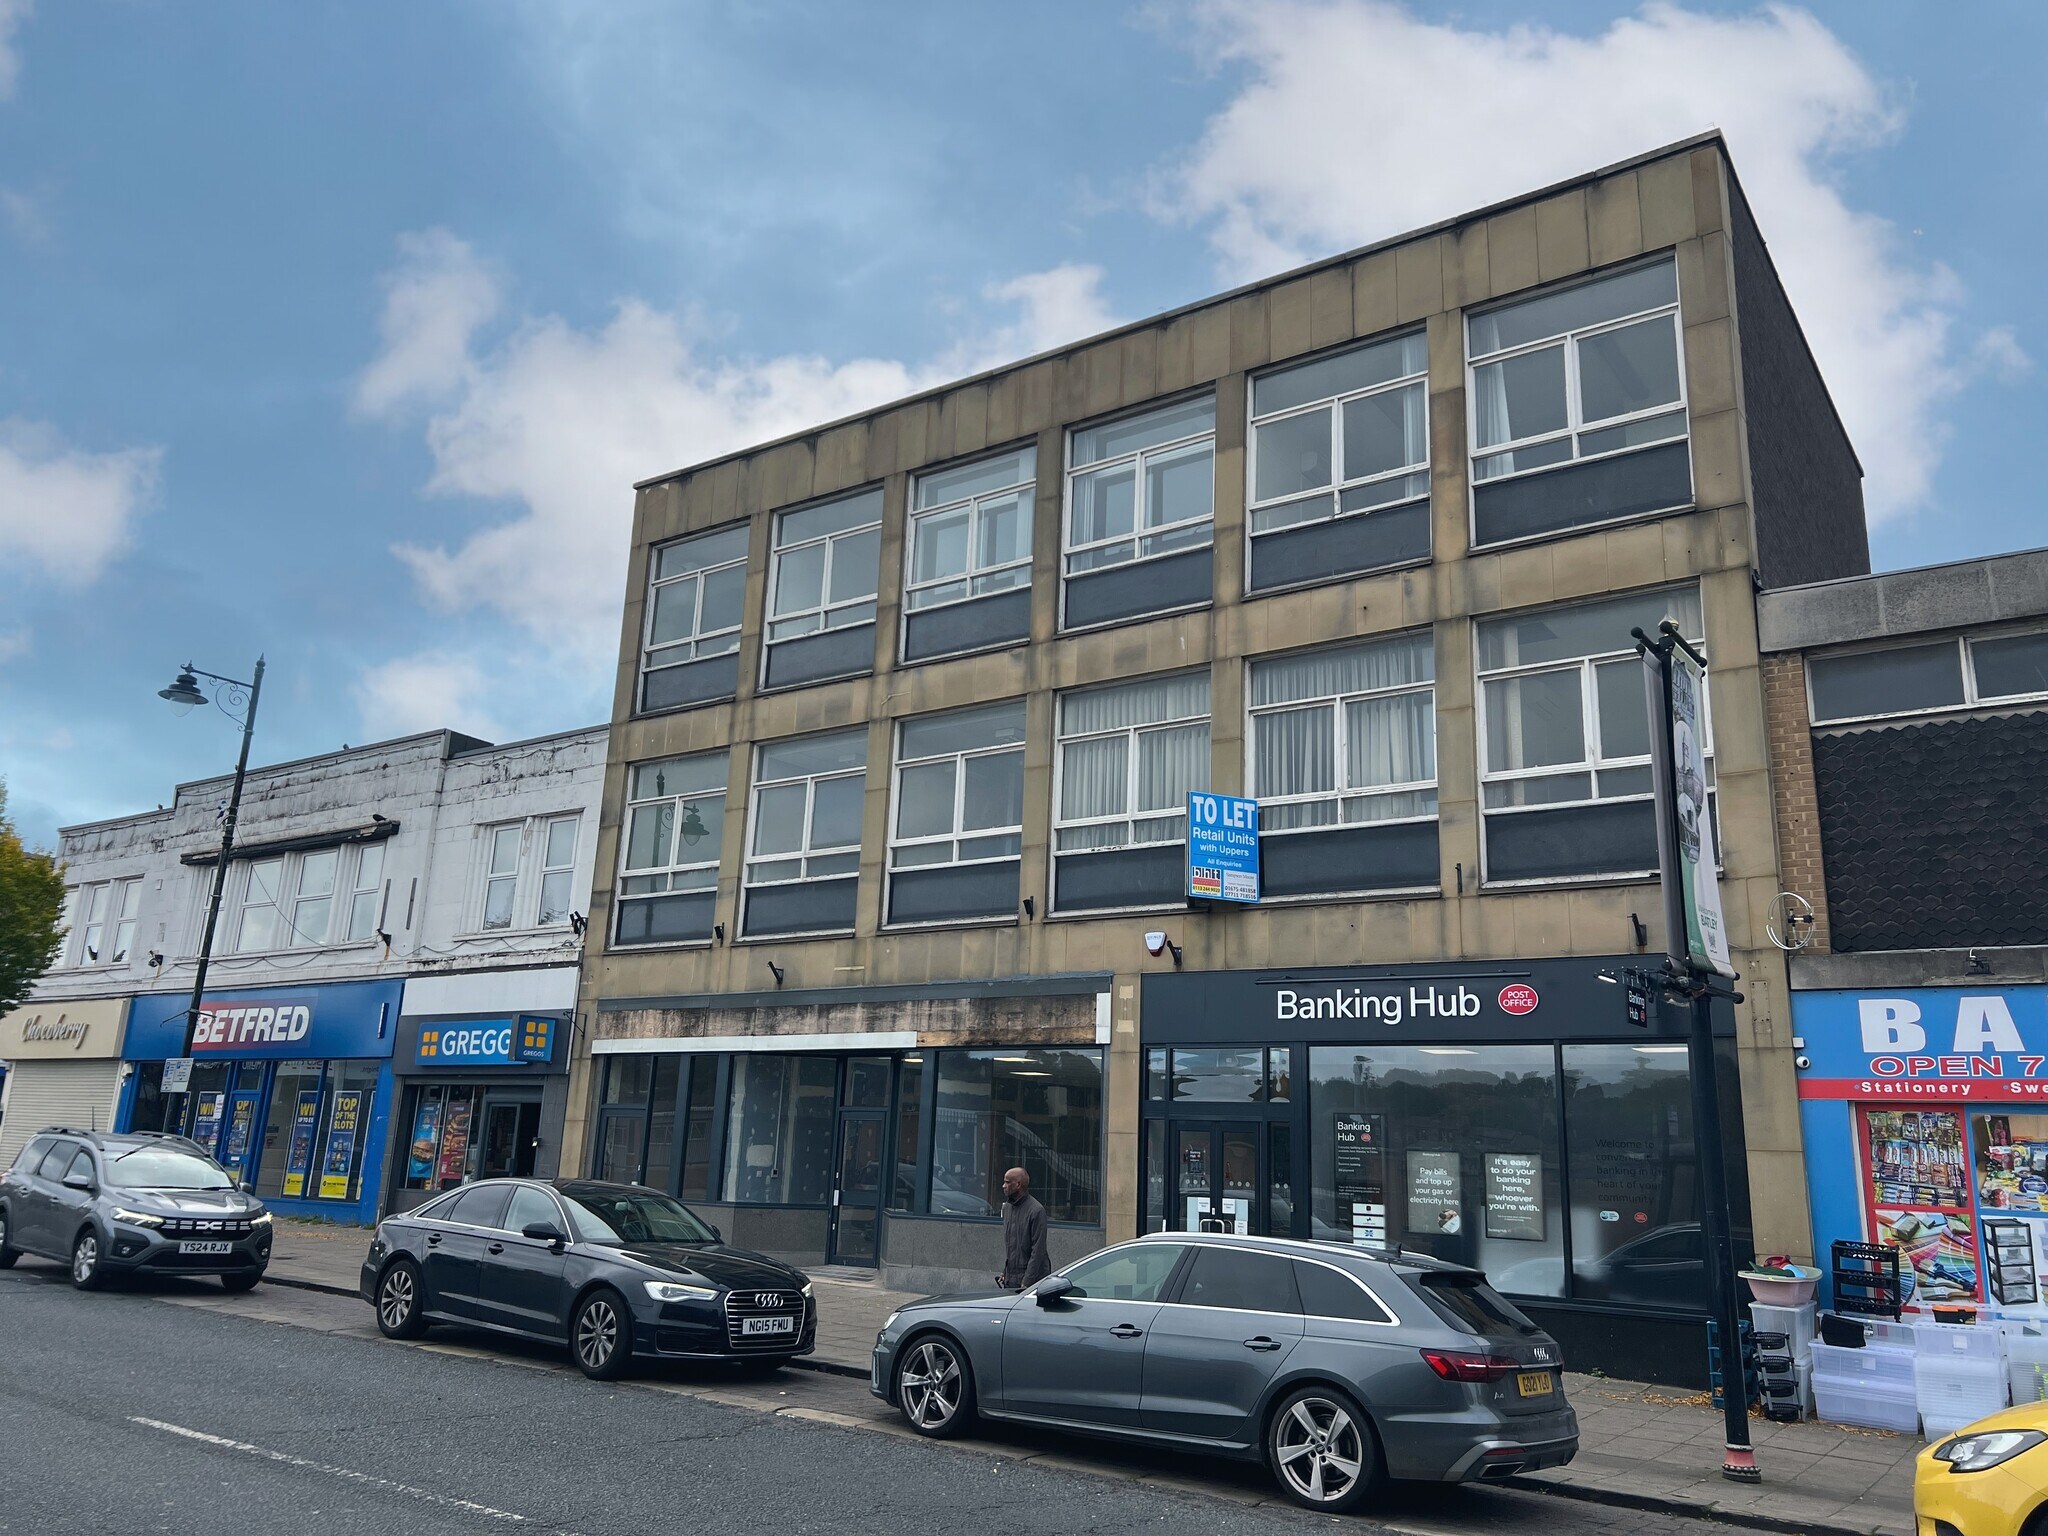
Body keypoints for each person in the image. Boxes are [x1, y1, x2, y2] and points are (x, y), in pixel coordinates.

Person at [995, 1166, 1050, 1290]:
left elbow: (1038, 1250)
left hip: (1033, 1282)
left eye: (1007, 1182)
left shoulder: (1036, 1210)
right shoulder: (1007, 1208)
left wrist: (1027, 1282)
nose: (1003, 1186)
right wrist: (1006, 1272)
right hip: (1011, 1280)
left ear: (1018, 1184)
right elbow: (1012, 1246)